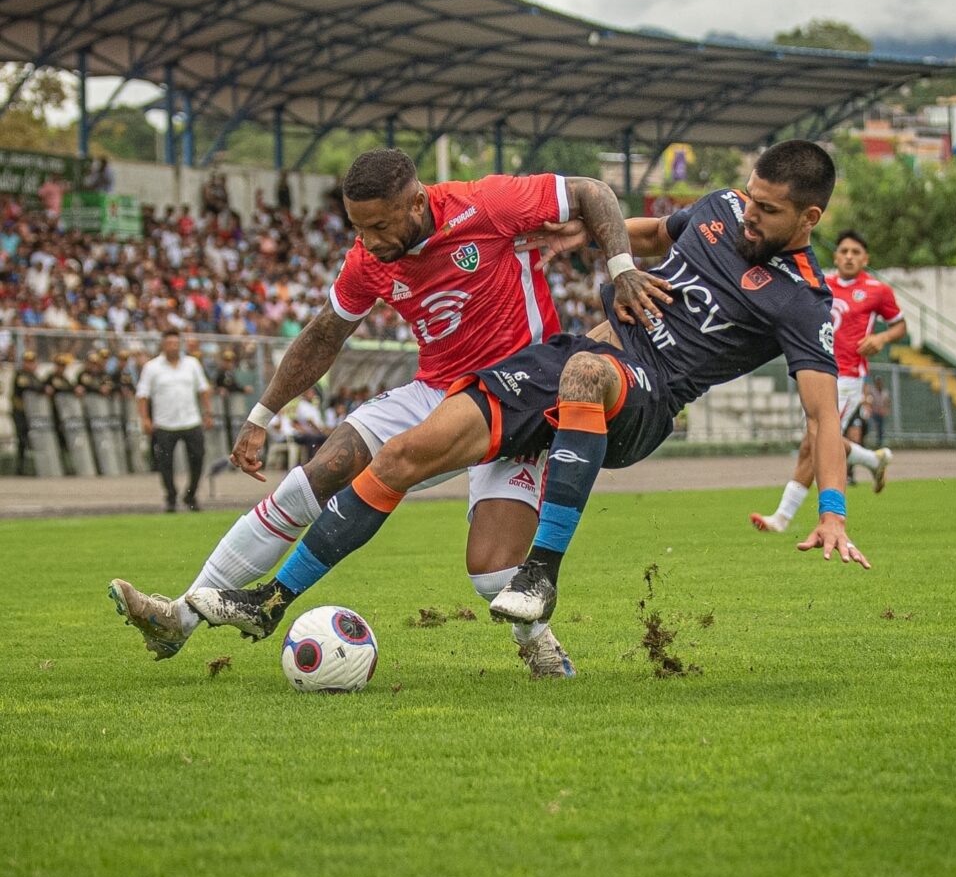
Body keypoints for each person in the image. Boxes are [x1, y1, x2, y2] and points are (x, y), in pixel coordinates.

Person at [184, 140, 870, 652]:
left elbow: (823, 416)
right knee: (400, 456)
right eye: (749, 197)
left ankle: (542, 572)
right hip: (571, 356)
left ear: (809, 217)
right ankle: (271, 599)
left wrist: (833, 511)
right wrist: (585, 238)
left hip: (647, 396)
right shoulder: (721, 209)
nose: (748, 214)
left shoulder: (804, 302)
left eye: (767, 210)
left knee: (585, 375)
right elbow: (661, 233)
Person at [109, 147, 662, 677]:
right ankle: (178, 618)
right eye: (358, 228)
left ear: (417, 202)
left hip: (521, 397)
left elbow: (593, 191)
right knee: (315, 476)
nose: (368, 241)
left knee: (493, 575)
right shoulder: (366, 260)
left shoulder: (487, 204)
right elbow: (324, 335)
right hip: (435, 391)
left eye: (378, 226)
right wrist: (261, 416)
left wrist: (621, 270)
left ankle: (536, 640)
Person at [750, 229, 906, 533]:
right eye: (844, 251)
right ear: (835, 256)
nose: (849, 257)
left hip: (848, 376)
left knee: (813, 442)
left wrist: (881, 338)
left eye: (856, 252)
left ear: (865, 259)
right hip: (818, 370)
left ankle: (781, 517)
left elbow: (900, 326)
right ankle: (873, 461)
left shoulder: (877, 290)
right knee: (822, 440)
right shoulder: (821, 283)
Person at [136, 329, 214, 512]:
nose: (173, 347)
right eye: (169, 343)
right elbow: (142, 395)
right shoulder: (152, 367)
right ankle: (171, 496)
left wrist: (208, 413)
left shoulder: (192, 364)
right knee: (165, 463)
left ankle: (191, 494)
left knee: (198, 458)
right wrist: (145, 419)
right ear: (163, 345)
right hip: (164, 423)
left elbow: (203, 389)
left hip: (191, 420)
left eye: (176, 343)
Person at [11, 350, 45, 475]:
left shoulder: (34, 376)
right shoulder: (20, 374)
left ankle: (35, 467)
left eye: (31, 362)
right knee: (22, 438)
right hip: (20, 412)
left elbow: (41, 386)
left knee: (31, 439)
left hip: (32, 413)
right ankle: (20, 468)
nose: (29, 364)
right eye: (27, 362)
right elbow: (26, 386)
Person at [866, 374, 891, 448]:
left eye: (880, 381)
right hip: (873, 412)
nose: (879, 383)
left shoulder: (885, 392)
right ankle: (865, 442)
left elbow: (887, 402)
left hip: (881, 413)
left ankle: (879, 444)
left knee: (880, 429)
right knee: (869, 426)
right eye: (877, 381)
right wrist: (869, 409)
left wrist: (885, 409)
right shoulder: (872, 390)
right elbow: (869, 400)